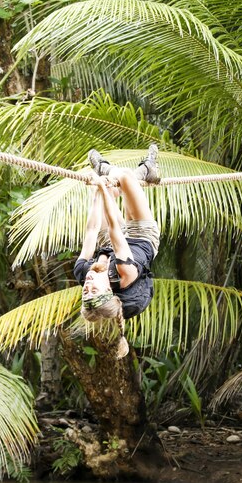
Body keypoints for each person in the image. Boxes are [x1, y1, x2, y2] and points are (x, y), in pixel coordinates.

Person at [73, 145, 161, 356]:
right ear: (108, 290)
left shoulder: (83, 272)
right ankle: (112, 168)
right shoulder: (124, 275)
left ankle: (146, 171)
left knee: (112, 189)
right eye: (94, 290)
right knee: (125, 177)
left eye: (85, 291)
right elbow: (115, 229)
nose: (89, 285)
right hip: (141, 236)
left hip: (110, 245)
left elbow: (92, 230)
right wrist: (102, 183)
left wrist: (97, 193)